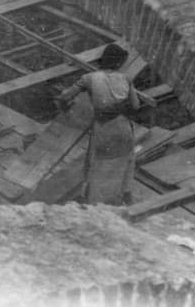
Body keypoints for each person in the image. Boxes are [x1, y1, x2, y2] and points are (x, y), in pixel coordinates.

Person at [57, 43, 141, 205]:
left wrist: (65, 109)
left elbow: (64, 97)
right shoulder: (126, 79)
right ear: (118, 63)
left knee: (94, 164)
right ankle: (126, 195)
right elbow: (136, 106)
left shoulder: (88, 78)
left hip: (103, 129)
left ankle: (88, 200)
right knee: (127, 160)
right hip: (123, 128)